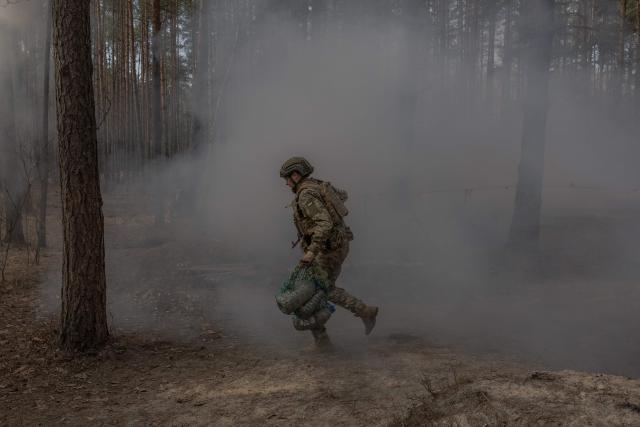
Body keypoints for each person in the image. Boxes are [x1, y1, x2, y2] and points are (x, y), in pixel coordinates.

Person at [280, 156, 379, 346]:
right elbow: (343, 195)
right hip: (337, 244)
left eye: (287, 178)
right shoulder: (318, 185)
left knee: (317, 290)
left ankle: (363, 312)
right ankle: (324, 339)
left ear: (295, 174)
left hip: (327, 248)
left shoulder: (306, 194)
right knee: (313, 291)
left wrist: (312, 251)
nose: (286, 183)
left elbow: (324, 224)